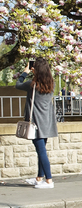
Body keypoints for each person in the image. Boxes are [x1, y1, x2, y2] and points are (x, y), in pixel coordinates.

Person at [16, 57, 58, 189]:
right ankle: (39, 179)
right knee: (41, 151)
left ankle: (49, 181)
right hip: (46, 122)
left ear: (36, 70)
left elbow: (17, 84)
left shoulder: (32, 84)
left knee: (41, 152)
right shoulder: (52, 83)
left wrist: (25, 72)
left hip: (36, 122)